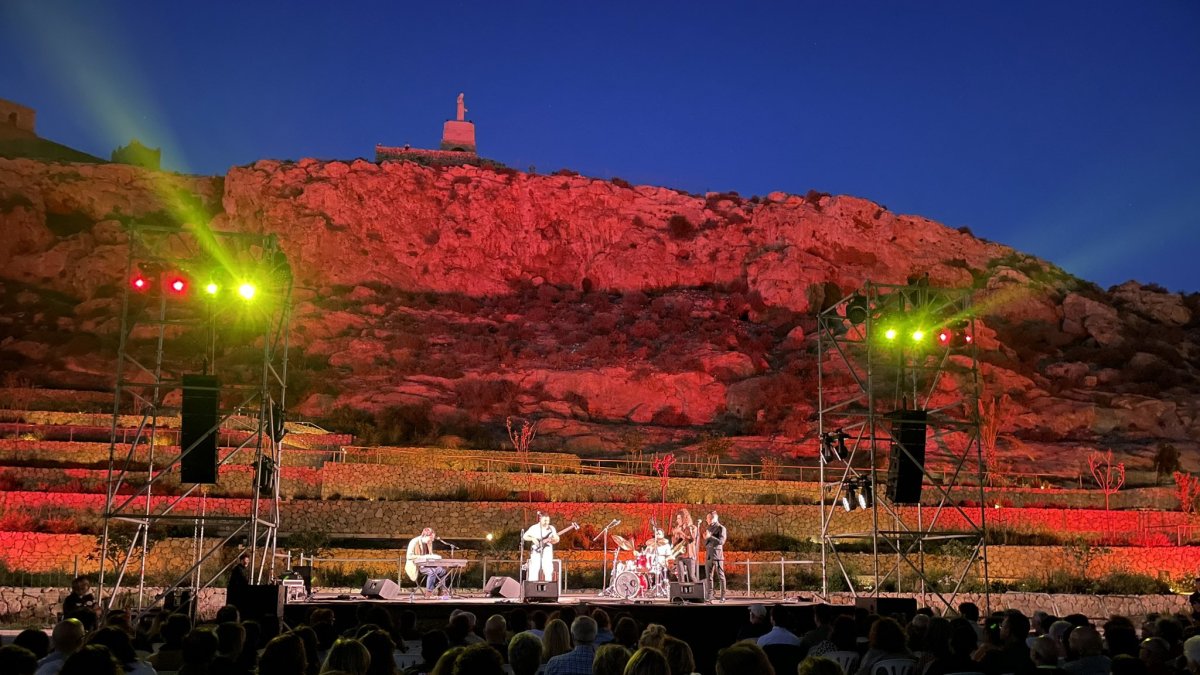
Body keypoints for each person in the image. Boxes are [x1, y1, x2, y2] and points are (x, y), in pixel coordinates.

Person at [406, 528, 448, 595]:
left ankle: (442, 591)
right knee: (432, 571)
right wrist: (422, 557)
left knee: (443, 571)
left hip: (428, 565)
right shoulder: (414, 542)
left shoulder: (428, 542)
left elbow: (430, 555)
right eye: (430, 539)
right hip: (418, 566)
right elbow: (409, 556)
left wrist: (434, 557)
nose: (431, 540)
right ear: (425, 536)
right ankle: (428, 592)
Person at [523, 513, 560, 582]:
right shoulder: (534, 527)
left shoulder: (551, 528)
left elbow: (556, 539)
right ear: (540, 519)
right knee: (534, 568)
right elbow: (525, 536)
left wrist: (554, 540)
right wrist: (532, 538)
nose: (546, 522)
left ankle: (548, 586)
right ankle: (532, 586)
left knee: (548, 568)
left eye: (548, 521)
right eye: (544, 520)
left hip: (547, 550)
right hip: (536, 550)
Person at [704, 511, 727, 602]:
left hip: (717, 555)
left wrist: (710, 537)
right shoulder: (709, 528)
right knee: (709, 576)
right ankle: (710, 595)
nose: (707, 520)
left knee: (721, 576)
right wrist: (706, 537)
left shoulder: (721, 528)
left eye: (708, 518)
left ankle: (723, 596)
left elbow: (721, 542)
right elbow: (706, 542)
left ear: (714, 518)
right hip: (709, 555)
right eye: (707, 518)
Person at [670, 509, 699, 583]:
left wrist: (681, 532)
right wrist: (675, 535)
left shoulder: (692, 528)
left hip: (689, 555)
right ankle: (682, 593)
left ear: (684, 518)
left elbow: (691, 539)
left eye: (679, 518)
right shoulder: (678, 528)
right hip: (680, 555)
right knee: (680, 576)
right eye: (677, 518)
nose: (677, 520)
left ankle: (699, 590)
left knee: (692, 576)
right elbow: (675, 544)